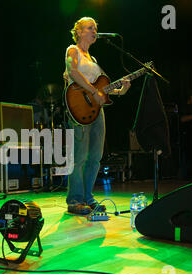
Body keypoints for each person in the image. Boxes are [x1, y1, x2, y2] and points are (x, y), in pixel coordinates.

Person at [63, 17, 131, 215]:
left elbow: (103, 93)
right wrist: (93, 92)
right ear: (79, 32)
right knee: (80, 156)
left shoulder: (94, 60)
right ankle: (74, 200)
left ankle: (87, 197)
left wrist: (121, 90)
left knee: (95, 157)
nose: (95, 30)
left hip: (96, 111)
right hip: (79, 110)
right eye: (90, 27)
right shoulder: (72, 50)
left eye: (96, 27)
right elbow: (73, 72)